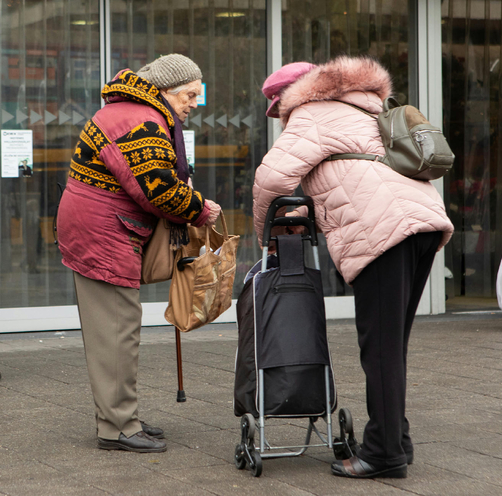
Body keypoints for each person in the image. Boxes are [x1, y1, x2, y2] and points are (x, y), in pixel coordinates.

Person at [253, 57, 454, 478]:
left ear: (290, 97)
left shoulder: (310, 113)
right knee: (390, 343)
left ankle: (383, 454)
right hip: (422, 223)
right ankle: (396, 438)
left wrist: (267, 239)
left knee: (379, 348)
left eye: (277, 110)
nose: (280, 120)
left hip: (384, 228)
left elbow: (271, 179)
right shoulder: (365, 105)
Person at [56, 54, 221, 453]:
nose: (194, 103)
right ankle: (118, 428)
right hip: (103, 232)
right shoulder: (141, 121)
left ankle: (119, 415)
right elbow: (158, 189)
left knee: (116, 329)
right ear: (164, 90)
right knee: (117, 331)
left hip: (99, 226)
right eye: (189, 94)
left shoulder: (134, 111)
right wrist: (200, 208)